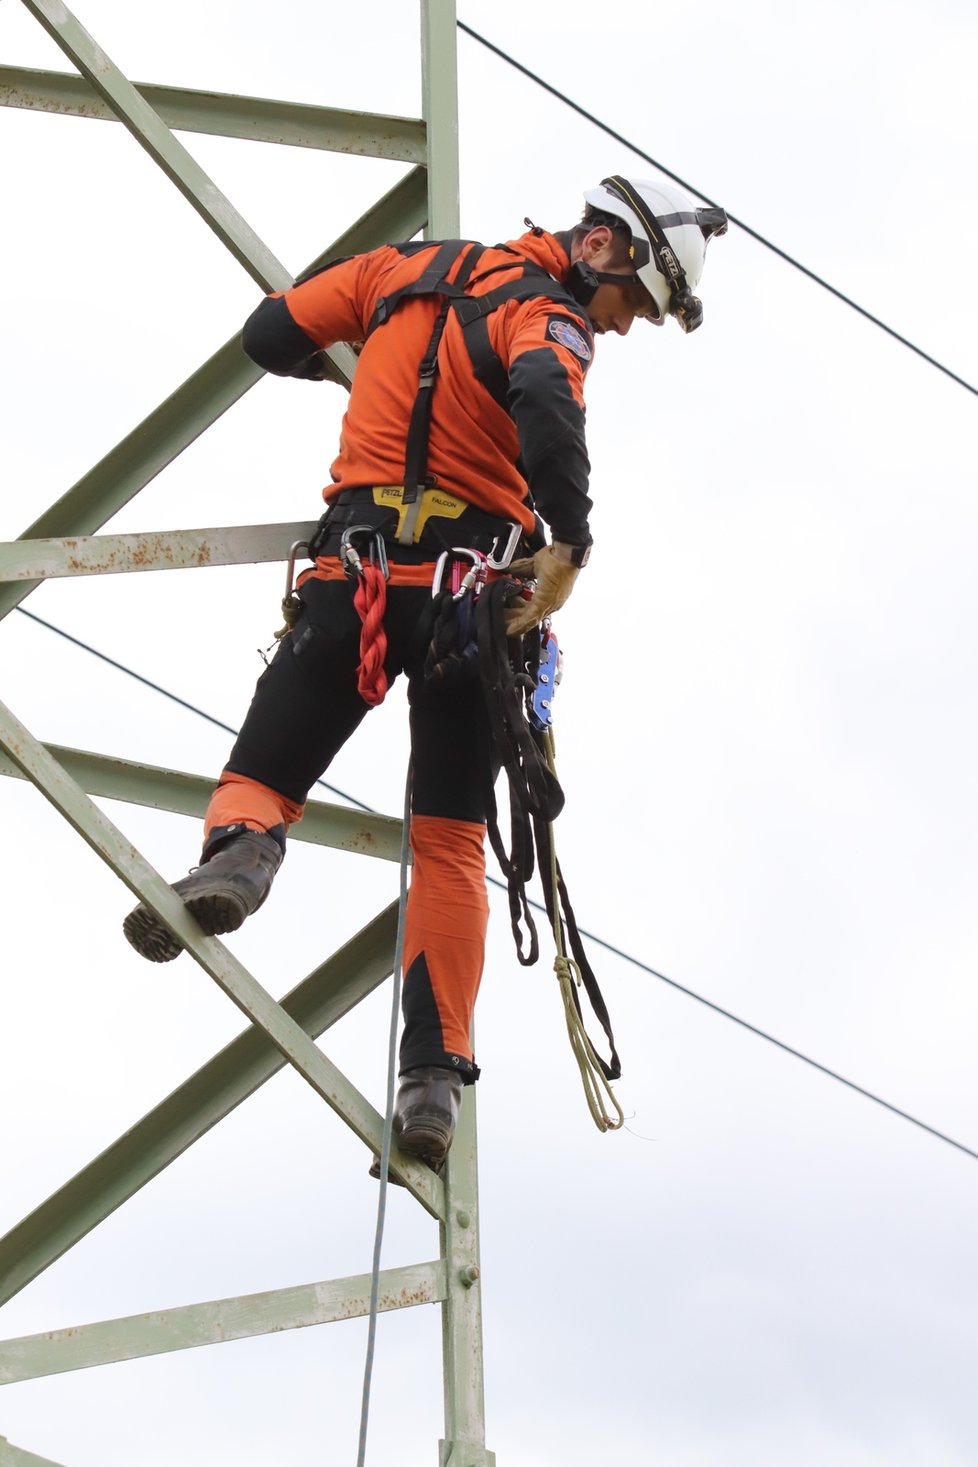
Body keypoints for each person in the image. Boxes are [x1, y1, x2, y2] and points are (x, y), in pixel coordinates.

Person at [123, 175, 727, 1168]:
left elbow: (270, 337)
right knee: (448, 841)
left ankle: (240, 858)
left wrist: (377, 374)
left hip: (353, 580)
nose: (621, 329)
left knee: (269, 772)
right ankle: (432, 1077)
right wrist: (569, 544)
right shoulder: (549, 318)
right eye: (633, 307)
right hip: (467, 605)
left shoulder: (399, 272)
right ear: (604, 251)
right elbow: (541, 398)